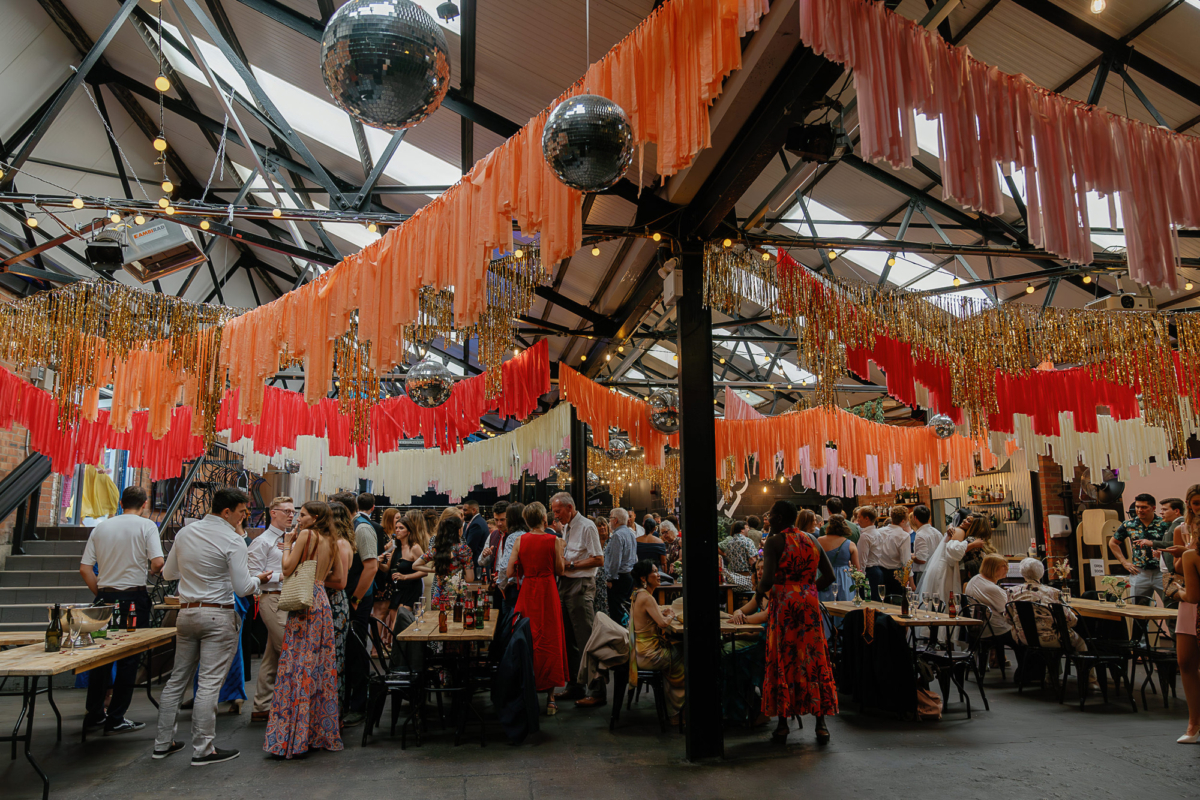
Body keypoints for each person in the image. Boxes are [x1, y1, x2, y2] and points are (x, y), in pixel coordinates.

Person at [153, 488, 270, 765]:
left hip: (187, 613)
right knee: (208, 683)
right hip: (218, 614)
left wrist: (195, 571)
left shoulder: (185, 532)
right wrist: (260, 581)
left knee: (176, 680)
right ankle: (203, 748)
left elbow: (168, 573)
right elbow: (243, 588)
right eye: (242, 512)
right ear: (226, 511)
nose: (244, 517)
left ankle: (162, 743)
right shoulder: (232, 539)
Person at [79, 485, 164, 735]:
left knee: (100, 657)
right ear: (145, 504)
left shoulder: (102, 527)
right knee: (129, 657)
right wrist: (150, 571)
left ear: (120, 502)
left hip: (105, 599)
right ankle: (116, 717)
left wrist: (102, 594)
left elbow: (85, 568)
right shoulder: (146, 526)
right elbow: (158, 562)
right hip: (133, 599)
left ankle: (94, 713)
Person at [264, 501, 345, 758]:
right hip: (321, 600)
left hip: (303, 601)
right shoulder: (332, 540)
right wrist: (317, 577)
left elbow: (286, 569)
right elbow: (340, 581)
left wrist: (288, 544)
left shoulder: (307, 535)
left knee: (296, 665)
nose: (297, 519)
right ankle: (316, 732)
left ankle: (293, 736)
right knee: (318, 666)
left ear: (315, 517)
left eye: (302, 515)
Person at [755, 500, 837, 745]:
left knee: (785, 658)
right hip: (809, 606)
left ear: (779, 518)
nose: (768, 520)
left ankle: (782, 726)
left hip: (785, 608)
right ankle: (821, 725)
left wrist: (759, 591)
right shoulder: (812, 540)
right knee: (814, 658)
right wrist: (807, 590)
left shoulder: (774, 541)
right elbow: (829, 576)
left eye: (770, 516)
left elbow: (767, 580)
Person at [507, 502, 567, 715]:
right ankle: (550, 699)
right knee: (550, 640)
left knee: (527, 639)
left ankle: (527, 692)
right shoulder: (555, 541)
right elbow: (560, 570)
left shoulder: (519, 540)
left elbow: (508, 572)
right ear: (544, 519)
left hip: (528, 591)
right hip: (548, 592)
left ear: (526, 520)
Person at [549, 491, 604, 704]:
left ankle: (597, 692)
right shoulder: (568, 527)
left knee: (585, 639)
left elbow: (599, 559)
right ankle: (575, 686)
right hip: (566, 584)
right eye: (553, 512)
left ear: (569, 508)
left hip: (581, 586)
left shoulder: (587, 526)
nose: (555, 517)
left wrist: (570, 565)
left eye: (558, 511)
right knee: (569, 639)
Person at [1005, 559, 1093, 685]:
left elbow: (1008, 618)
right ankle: (1089, 681)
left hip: (1024, 638)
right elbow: (1071, 620)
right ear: (1041, 574)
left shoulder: (1012, 592)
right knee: (1079, 642)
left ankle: (1051, 676)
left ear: (1022, 574)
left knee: (1057, 636)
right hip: (1052, 639)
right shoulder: (1053, 592)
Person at [246, 496, 294, 722]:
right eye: (286, 511)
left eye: (293, 511)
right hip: (272, 598)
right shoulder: (262, 541)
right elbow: (252, 575)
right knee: (286, 648)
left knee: (272, 654)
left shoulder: (291, 539)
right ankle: (287, 703)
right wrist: (284, 575)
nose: (290, 515)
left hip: (289, 598)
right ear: (273, 513)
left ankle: (261, 705)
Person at [338, 492, 382, 727]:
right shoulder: (351, 527)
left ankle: (359, 705)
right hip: (351, 597)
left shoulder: (362, 528)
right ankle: (349, 702)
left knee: (356, 650)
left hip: (359, 598)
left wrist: (355, 599)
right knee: (349, 651)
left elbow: (371, 568)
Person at [628, 559, 685, 724]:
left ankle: (673, 710)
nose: (658, 575)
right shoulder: (646, 597)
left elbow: (656, 618)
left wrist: (664, 614)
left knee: (678, 650)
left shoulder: (637, 594)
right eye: (654, 571)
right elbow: (662, 623)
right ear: (644, 578)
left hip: (639, 652)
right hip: (649, 655)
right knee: (684, 654)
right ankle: (677, 713)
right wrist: (671, 615)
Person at [726, 559, 771, 726]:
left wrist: (743, 619)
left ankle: (746, 710)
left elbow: (766, 616)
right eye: (758, 569)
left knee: (729, 658)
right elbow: (740, 610)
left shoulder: (777, 592)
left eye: (764, 568)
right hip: (757, 642)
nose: (760, 572)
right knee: (725, 653)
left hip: (770, 647)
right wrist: (738, 613)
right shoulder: (761, 592)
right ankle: (738, 710)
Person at [1110, 492, 1171, 601]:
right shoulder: (1129, 524)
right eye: (1137, 507)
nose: (1139, 510)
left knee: (1170, 604)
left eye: (1144, 507)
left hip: (1161, 571)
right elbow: (1113, 543)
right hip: (1139, 572)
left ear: (1153, 508)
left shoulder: (1164, 524)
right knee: (1138, 608)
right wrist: (1124, 562)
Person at [325, 502, 355, 712]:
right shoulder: (338, 542)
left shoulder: (341, 544)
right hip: (332, 601)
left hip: (335, 603)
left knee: (336, 658)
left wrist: (315, 578)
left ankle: (335, 711)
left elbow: (341, 582)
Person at [917, 514, 987, 604]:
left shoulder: (956, 530)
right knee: (945, 599)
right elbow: (953, 550)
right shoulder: (960, 531)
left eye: (968, 521)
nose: (964, 520)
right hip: (945, 569)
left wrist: (950, 526)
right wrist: (973, 545)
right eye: (966, 519)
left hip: (943, 566)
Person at [413, 515, 475, 605]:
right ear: (459, 530)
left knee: (439, 618)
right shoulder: (464, 549)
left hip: (439, 595)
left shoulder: (437, 548)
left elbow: (415, 565)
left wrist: (436, 569)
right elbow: (470, 578)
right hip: (457, 594)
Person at [964, 554, 1016, 648]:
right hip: (995, 629)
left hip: (979, 627)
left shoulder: (975, 579)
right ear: (993, 568)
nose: (1007, 568)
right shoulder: (991, 588)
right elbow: (1009, 611)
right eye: (1003, 566)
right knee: (1024, 638)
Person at [1175, 542, 1199, 743]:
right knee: (1185, 661)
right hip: (1190, 603)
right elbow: (1174, 568)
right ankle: (1194, 723)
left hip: (1191, 596)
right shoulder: (1180, 529)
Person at [816, 514, 858, 630]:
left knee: (824, 608)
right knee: (844, 609)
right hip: (844, 579)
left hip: (823, 577)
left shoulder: (819, 541)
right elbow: (857, 569)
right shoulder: (850, 544)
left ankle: (826, 634)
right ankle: (841, 636)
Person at [388, 510, 428, 613]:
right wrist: (377, 562)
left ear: (409, 531)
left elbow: (424, 571)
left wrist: (405, 577)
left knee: (400, 622)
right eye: (396, 528)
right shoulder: (395, 548)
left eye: (401, 528)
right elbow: (387, 568)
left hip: (411, 589)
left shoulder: (415, 547)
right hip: (397, 590)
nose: (397, 530)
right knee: (393, 623)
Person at [603, 508, 637, 623]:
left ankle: (620, 638)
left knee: (617, 612)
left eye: (610, 518)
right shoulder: (631, 534)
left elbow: (615, 561)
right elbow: (634, 557)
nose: (609, 521)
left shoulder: (618, 536)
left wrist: (610, 578)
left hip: (619, 578)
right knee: (625, 610)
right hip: (629, 576)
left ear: (615, 520)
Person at [876, 505, 913, 598]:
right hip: (896, 575)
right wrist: (911, 582)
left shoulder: (879, 532)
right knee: (896, 604)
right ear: (903, 521)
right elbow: (906, 561)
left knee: (882, 601)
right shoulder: (904, 536)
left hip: (880, 572)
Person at [495, 502, 527, 611]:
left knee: (511, 622)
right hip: (530, 586)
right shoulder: (530, 535)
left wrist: (501, 585)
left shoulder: (513, 537)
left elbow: (504, 567)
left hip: (515, 587)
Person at [373, 507, 399, 632]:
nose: (399, 521)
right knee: (380, 612)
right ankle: (374, 648)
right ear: (390, 519)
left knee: (386, 612)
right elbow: (376, 552)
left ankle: (381, 642)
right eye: (397, 518)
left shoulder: (394, 535)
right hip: (381, 576)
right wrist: (386, 548)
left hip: (389, 576)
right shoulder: (381, 533)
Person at [855, 506, 886, 600]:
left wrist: (860, 578)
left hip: (869, 573)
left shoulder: (865, 536)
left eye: (859, 517)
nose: (857, 520)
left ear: (866, 518)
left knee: (868, 601)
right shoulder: (877, 533)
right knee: (876, 599)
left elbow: (862, 560)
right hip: (878, 570)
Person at [910, 505, 941, 588]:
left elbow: (921, 559)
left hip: (924, 572)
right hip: (937, 570)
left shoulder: (921, 535)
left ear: (915, 518)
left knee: (923, 598)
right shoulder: (937, 532)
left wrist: (911, 556)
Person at [720, 521, 758, 588]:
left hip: (733, 579)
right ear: (742, 530)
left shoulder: (729, 543)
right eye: (747, 527)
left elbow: (727, 557)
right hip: (747, 578)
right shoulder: (747, 541)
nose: (748, 529)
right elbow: (752, 559)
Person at [462, 499, 490, 569]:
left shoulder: (476, 524)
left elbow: (470, 547)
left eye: (465, 510)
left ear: (474, 510)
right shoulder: (478, 521)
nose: (463, 513)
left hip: (475, 564)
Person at [593, 517, 611, 620]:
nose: (602, 527)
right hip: (595, 579)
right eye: (599, 526)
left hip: (608, 579)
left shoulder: (612, 540)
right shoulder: (593, 541)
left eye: (604, 525)